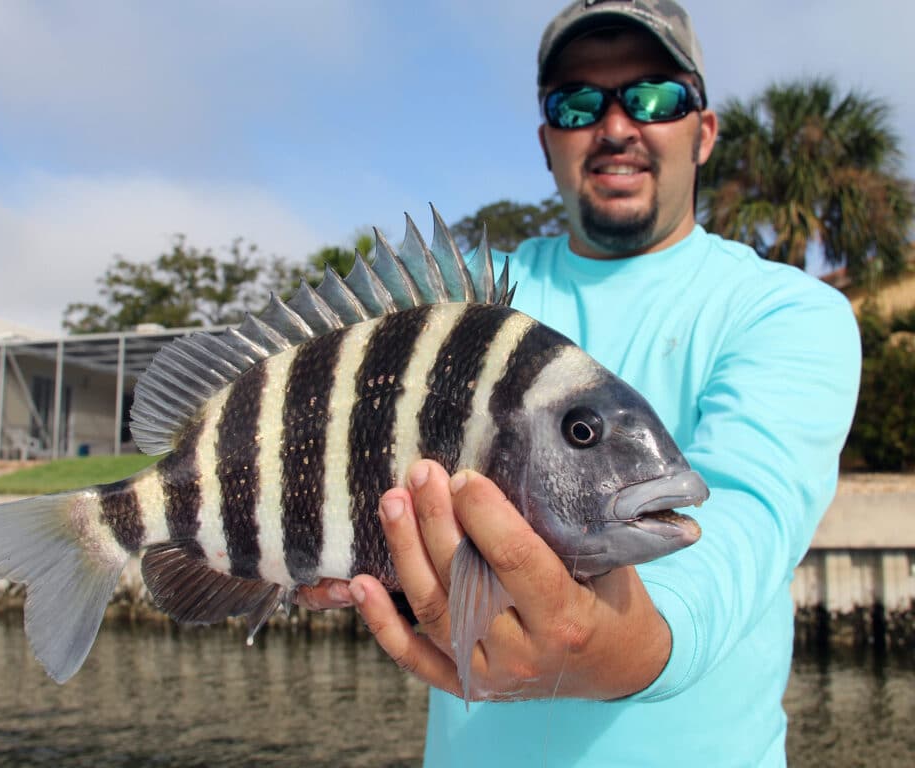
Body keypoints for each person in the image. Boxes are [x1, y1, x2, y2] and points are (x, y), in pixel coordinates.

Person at [300, 1, 861, 765]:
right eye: (578, 102)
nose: (618, 125)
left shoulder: (787, 312)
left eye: (656, 95)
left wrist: (630, 646)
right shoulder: (457, 314)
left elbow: (750, 512)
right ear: (546, 140)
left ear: (704, 129)